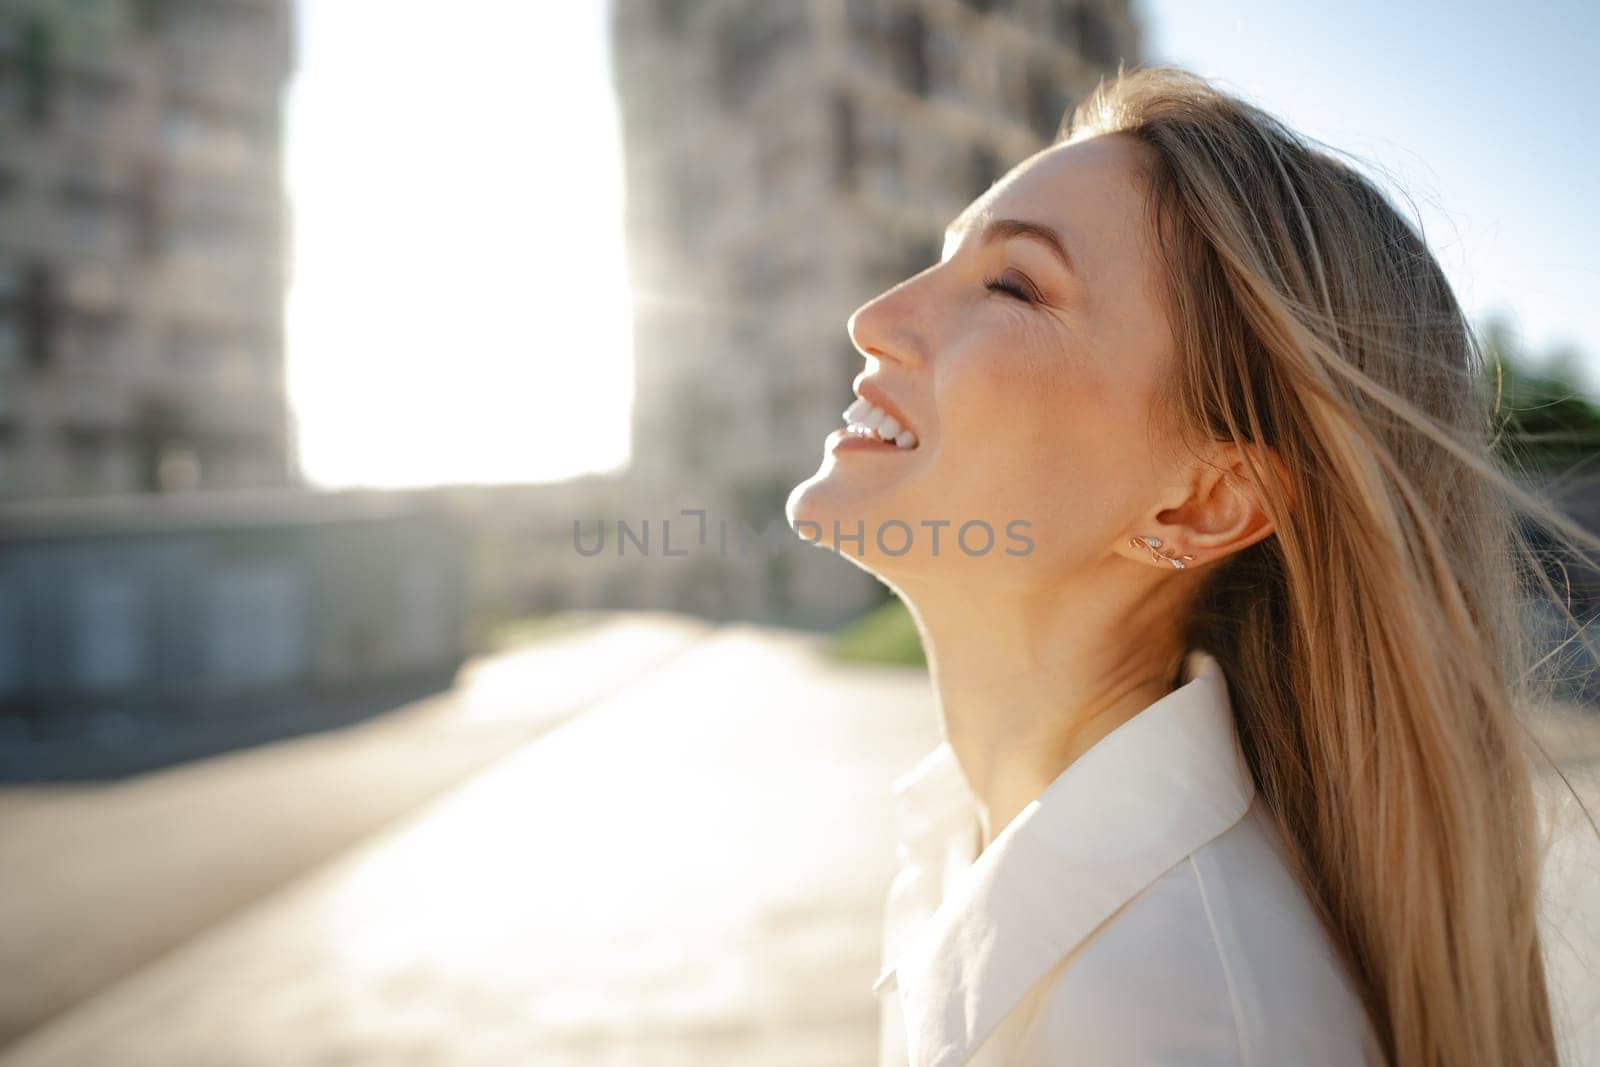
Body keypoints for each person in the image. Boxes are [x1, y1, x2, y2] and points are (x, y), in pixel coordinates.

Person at [787, 64, 1583, 1066]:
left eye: (1010, 283)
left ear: (1202, 503)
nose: (874, 315)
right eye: (940, 261)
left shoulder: (1187, 1023)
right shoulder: (959, 840)